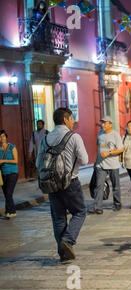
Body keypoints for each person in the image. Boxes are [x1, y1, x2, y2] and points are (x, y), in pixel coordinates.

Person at [36, 108, 89, 263]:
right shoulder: (74, 137)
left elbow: (38, 162)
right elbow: (85, 160)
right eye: (72, 119)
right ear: (66, 119)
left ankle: (63, 254)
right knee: (80, 212)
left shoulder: (45, 138)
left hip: (51, 184)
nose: (73, 122)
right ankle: (68, 239)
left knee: (58, 218)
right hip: (70, 182)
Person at [89, 116, 124, 215]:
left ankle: (117, 204)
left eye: (104, 123)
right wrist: (96, 163)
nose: (102, 125)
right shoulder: (100, 133)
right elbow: (99, 148)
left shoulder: (115, 135)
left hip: (113, 165)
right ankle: (98, 207)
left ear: (110, 124)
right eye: (102, 123)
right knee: (98, 186)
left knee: (115, 186)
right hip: (100, 165)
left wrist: (109, 153)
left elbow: (121, 149)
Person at [0, 130, 19, 220]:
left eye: (3, 136)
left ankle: (11, 212)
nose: (2, 138)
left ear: (6, 137)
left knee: (8, 192)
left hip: (12, 173)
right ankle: (10, 211)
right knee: (6, 194)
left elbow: (16, 161)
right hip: (3, 173)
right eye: (0, 137)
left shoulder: (12, 147)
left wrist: (4, 161)